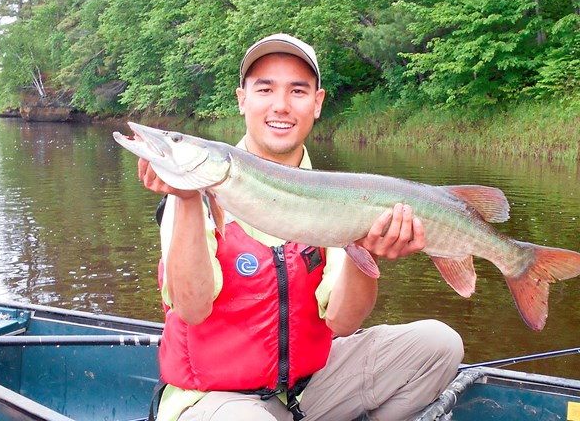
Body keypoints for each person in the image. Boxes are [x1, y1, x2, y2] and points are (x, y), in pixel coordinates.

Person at [138, 33, 463, 421]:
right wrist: (189, 199)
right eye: (265, 89)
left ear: (317, 103)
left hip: (304, 389)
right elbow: (191, 310)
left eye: (297, 91)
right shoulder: (188, 193)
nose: (281, 105)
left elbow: (342, 322)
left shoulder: (339, 195)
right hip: (214, 398)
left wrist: (367, 251)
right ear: (243, 100)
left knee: (440, 345)